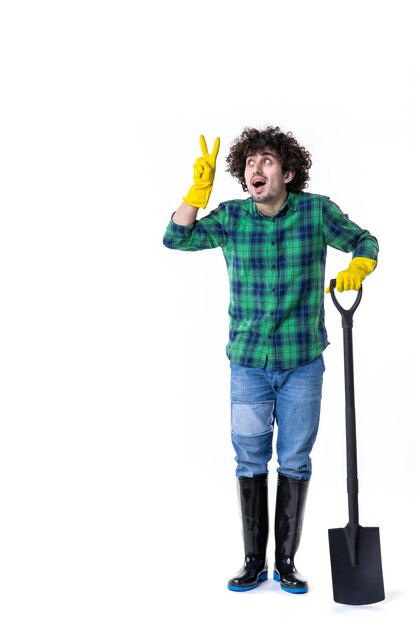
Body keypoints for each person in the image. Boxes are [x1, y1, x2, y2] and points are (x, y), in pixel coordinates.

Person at [163, 127, 378, 594]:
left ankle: (286, 562)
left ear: (288, 171)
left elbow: (365, 240)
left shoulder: (316, 212)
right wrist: (194, 195)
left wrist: (358, 265)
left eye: (265, 161)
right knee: (250, 459)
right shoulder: (233, 218)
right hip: (248, 365)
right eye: (249, 164)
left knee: (296, 460)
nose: (254, 170)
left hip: (302, 362)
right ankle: (251, 562)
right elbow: (176, 239)